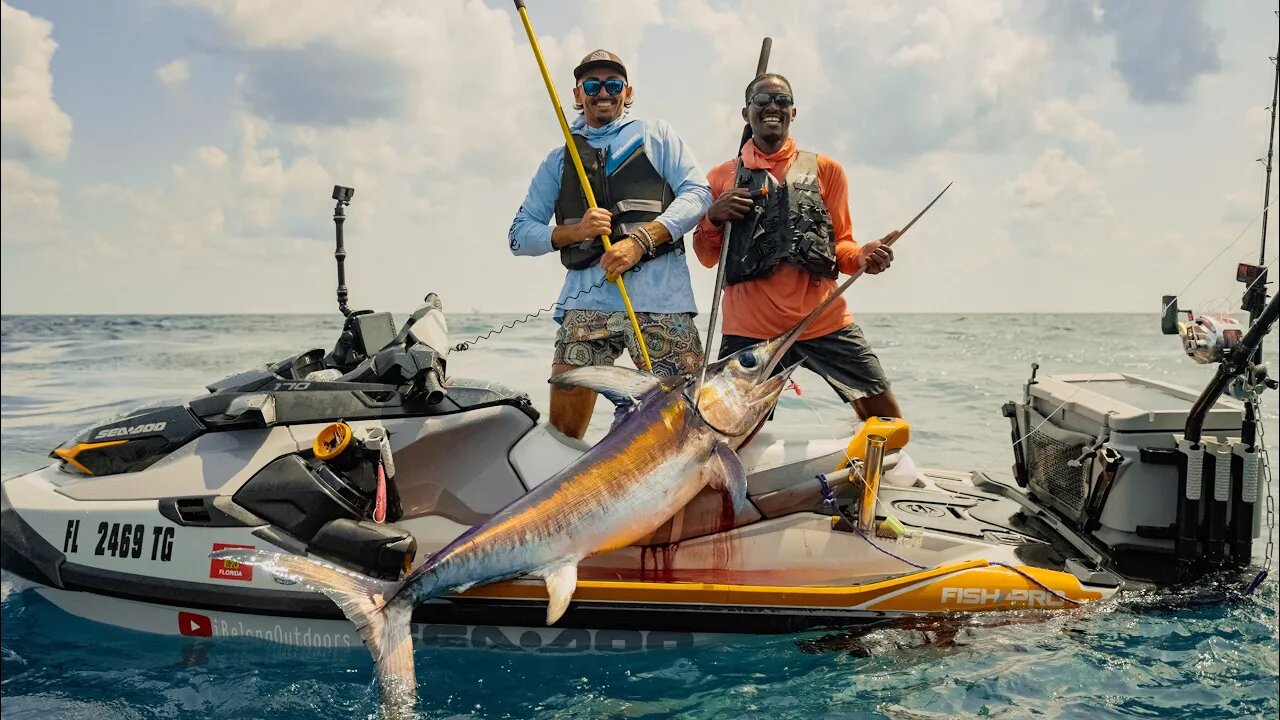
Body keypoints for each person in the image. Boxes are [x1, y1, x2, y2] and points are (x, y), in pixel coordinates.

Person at [509, 50, 712, 439]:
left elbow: (698, 194)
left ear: (627, 92)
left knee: (682, 430)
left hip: (661, 304)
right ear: (577, 93)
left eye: (613, 85)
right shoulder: (559, 158)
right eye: (593, 85)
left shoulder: (658, 136)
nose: (604, 93)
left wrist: (641, 240)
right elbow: (519, 235)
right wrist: (576, 232)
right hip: (586, 307)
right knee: (563, 433)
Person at [693, 72, 903, 420]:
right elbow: (705, 257)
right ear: (746, 113)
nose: (772, 107)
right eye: (762, 100)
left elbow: (843, 248)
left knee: (885, 414)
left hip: (822, 320)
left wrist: (865, 256)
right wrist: (714, 217)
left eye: (782, 101)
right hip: (749, 330)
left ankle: (878, 470)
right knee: (729, 431)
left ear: (793, 112)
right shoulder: (722, 177)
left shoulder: (827, 170)